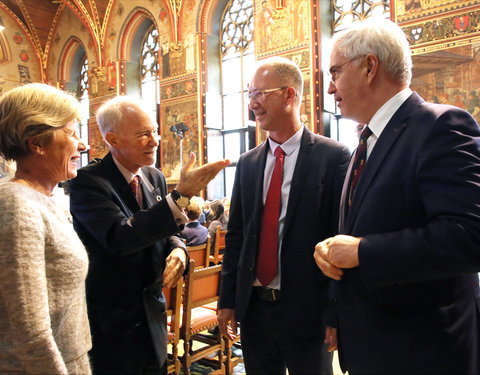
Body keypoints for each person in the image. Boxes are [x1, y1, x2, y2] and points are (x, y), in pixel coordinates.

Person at [314, 18, 480, 375]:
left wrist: (361, 251)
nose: (330, 88)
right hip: (375, 346)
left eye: (336, 72)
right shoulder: (366, 140)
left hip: (424, 350)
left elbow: (469, 238)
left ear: (369, 67)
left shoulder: (440, 127)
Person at [69, 96, 229, 375]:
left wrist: (178, 247)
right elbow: (121, 237)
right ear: (113, 140)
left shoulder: (153, 176)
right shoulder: (88, 181)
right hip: (112, 320)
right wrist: (180, 196)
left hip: (152, 311)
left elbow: (166, 227)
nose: (155, 140)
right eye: (143, 134)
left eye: (155, 131)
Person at [218, 56, 350, 375]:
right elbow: (236, 237)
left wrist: (336, 312)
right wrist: (227, 299)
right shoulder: (248, 163)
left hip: (308, 310)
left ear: (289, 95)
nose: (253, 104)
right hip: (255, 311)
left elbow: (339, 239)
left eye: (259, 94)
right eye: (249, 95)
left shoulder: (333, 157)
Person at [0, 83, 91, 374]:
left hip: (68, 358)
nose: (82, 145)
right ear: (36, 143)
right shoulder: (17, 204)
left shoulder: (42, 199)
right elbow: (30, 331)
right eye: (71, 132)